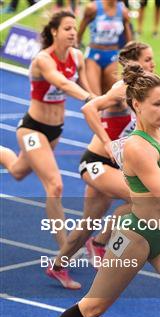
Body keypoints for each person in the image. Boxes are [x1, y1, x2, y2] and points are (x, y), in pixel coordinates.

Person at [45, 64, 160, 317]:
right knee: (93, 306)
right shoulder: (138, 147)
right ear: (137, 105)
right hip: (137, 237)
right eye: (157, 104)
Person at [45, 41, 156, 290]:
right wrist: (107, 143)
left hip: (115, 165)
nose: (153, 63)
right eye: (148, 59)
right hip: (96, 162)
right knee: (143, 199)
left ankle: (57, 266)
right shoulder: (121, 90)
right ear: (134, 62)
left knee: (88, 223)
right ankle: (100, 243)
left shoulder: (144, 90)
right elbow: (89, 108)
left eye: (153, 59)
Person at [0, 11, 93, 249]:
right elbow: (62, 83)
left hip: (55, 130)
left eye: (74, 28)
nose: (74, 33)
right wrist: (88, 98)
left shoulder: (77, 57)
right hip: (32, 129)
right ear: (54, 32)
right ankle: (63, 254)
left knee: (18, 170)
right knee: (55, 185)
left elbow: (88, 87)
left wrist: (105, 102)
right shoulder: (43, 59)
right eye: (67, 28)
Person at [78, 0, 132, 96]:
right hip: (93, 56)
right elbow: (79, 33)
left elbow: (129, 40)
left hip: (113, 56)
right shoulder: (93, 8)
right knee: (94, 97)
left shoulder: (123, 11)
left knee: (113, 98)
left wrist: (131, 58)